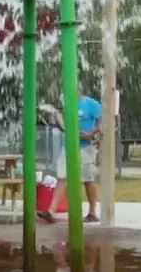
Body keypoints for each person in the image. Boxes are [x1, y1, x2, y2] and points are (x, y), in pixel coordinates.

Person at [40, 89, 102, 223]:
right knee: (62, 177)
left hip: (86, 147)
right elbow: (64, 126)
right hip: (68, 146)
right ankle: (51, 211)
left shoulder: (91, 104)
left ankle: (92, 212)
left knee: (88, 180)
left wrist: (91, 133)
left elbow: (102, 123)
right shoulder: (67, 105)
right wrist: (57, 119)